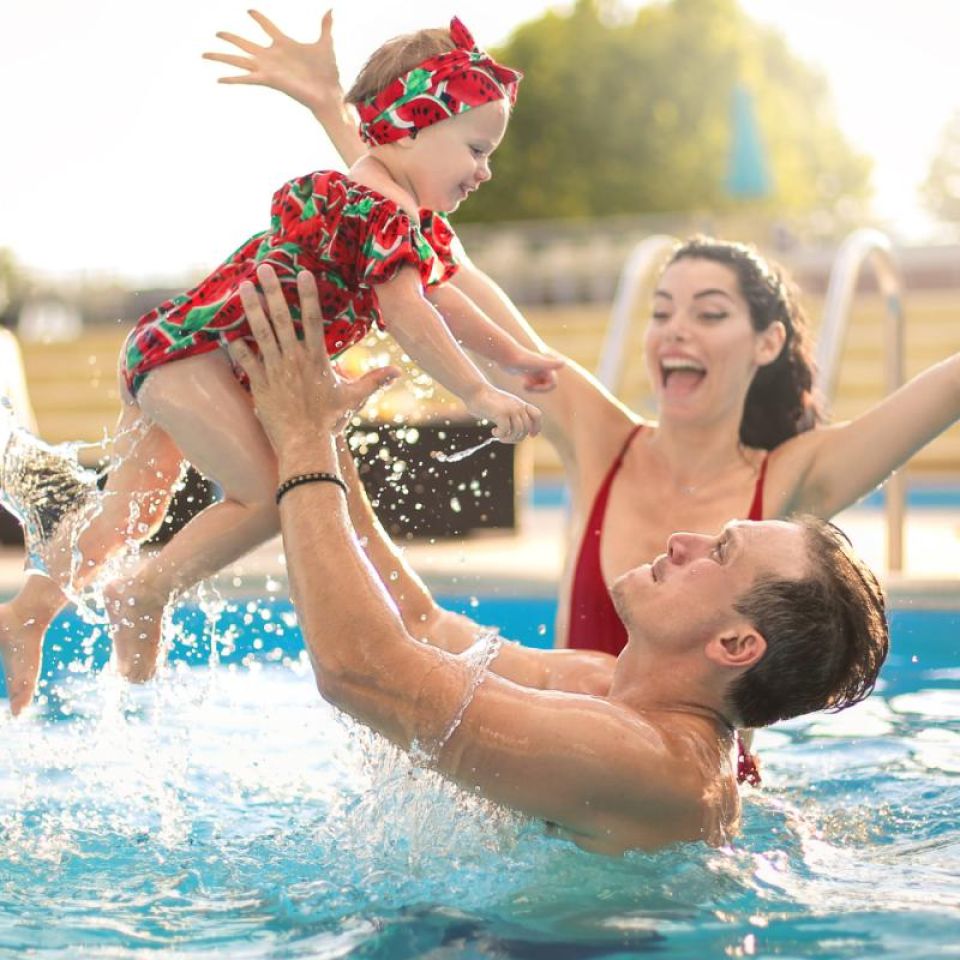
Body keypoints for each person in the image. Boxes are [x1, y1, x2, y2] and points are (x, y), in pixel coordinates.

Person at [208, 9, 960, 658]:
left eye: (710, 313)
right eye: (661, 310)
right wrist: (333, 109)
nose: (675, 332)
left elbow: (947, 387)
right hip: (563, 772)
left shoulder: (795, 479)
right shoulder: (605, 441)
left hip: (685, 798)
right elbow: (443, 260)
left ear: (767, 343)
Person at [0, 16, 563, 716]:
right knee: (271, 496)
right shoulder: (379, 211)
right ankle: (141, 593)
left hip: (176, 350)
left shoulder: (385, 208)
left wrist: (513, 355)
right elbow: (413, 316)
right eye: (476, 149)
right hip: (196, 360)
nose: (485, 170)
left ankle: (30, 608)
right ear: (411, 128)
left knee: (131, 511)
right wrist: (479, 390)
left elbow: (443, 295)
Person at [227, 263, 889, 855]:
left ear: (737, 643)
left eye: (719, 552)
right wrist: (324, 433)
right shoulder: (606, 686)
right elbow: (423, 630)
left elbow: (360, 673)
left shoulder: (648, 763)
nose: (684, 541)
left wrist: (302, 438)